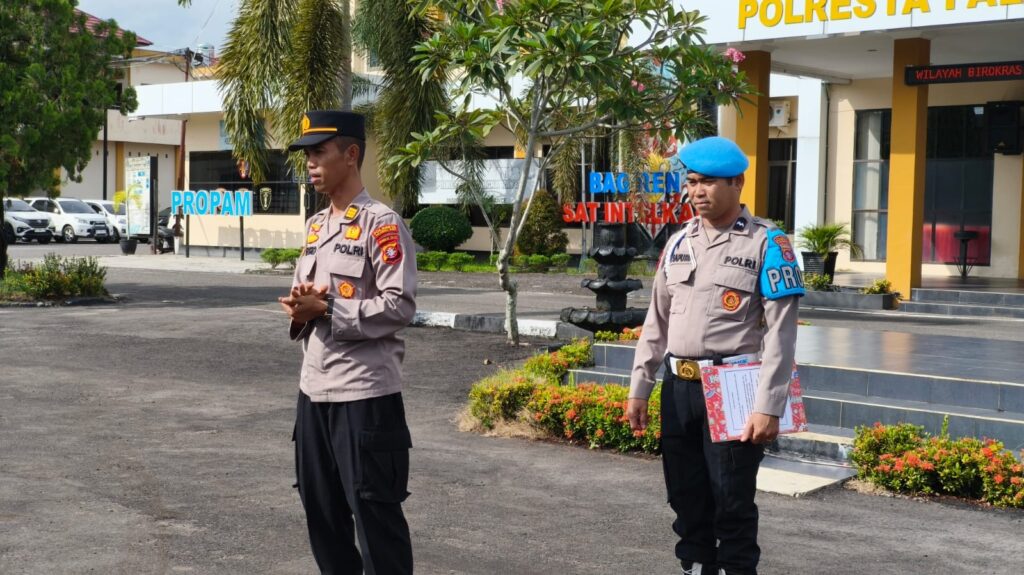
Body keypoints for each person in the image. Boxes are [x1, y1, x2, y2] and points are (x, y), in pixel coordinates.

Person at [627, 136, 803, 575]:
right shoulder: (678, 242)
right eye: (691, 182)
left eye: (708, 182)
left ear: (737, 182)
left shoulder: (768, 243)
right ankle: (695, 568)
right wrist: (639, 387)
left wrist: (768, 406)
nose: (697, 192)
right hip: (678, 387)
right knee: (685, 497)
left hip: (732, 387)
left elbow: (781, 334)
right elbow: (656, 322)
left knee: (731, 502)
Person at [278, 110, 418, 575]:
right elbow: (312, 299)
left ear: (351, 154)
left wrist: (328, 309)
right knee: (323, 517)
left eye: (319, 152)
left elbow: (400, 305)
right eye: (308, 155)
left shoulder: (382, 224)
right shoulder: (316, 225)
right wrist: (301, 306)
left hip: (365, 396)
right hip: (314, 391)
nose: (311, 163)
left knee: (375, 521)